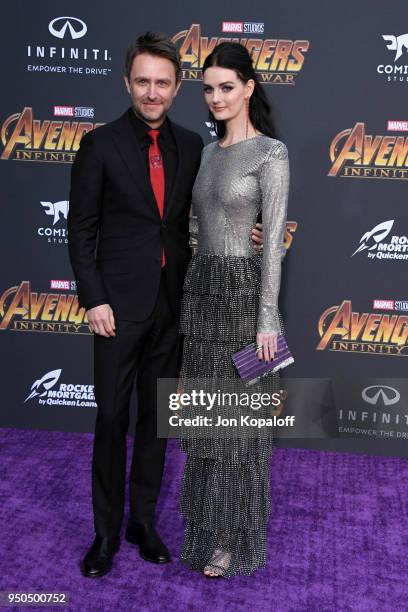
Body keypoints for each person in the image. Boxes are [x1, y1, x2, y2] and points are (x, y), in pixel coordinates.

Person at [67, 32, 263, 578]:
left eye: (163, 82)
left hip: (174, 306)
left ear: (178, 88)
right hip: (117, 309)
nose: (152, 92)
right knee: (111, 419)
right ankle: (105, 533)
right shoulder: (99, 144)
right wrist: (94, 300)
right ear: (127, 83)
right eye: (142, 82)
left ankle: (142, 523)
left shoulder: (190, 146)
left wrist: (244, 234)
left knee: (156, 422)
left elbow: (199, 218)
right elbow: (80, 230)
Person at [178, 42, 290, 578]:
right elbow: (196, 227)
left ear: (248, 87)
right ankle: (205, 524)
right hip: (201, 297)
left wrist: (268, 318)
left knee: (239, 427)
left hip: (245, 300)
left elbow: (272, 245)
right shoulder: (207, 152)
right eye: (208, 88)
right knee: (206, 419)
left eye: (227, 87)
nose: (216, 97)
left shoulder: (272, 153)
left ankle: (231, 536)